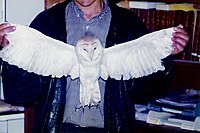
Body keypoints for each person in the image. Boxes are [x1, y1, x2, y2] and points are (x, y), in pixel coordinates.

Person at [0, 0, 189, 132]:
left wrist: (163, 56)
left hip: (111, 127)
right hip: (58, 128)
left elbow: (143, 91)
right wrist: (13, 55)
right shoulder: (47, 22)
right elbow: (22, 94)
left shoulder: (128, 23)